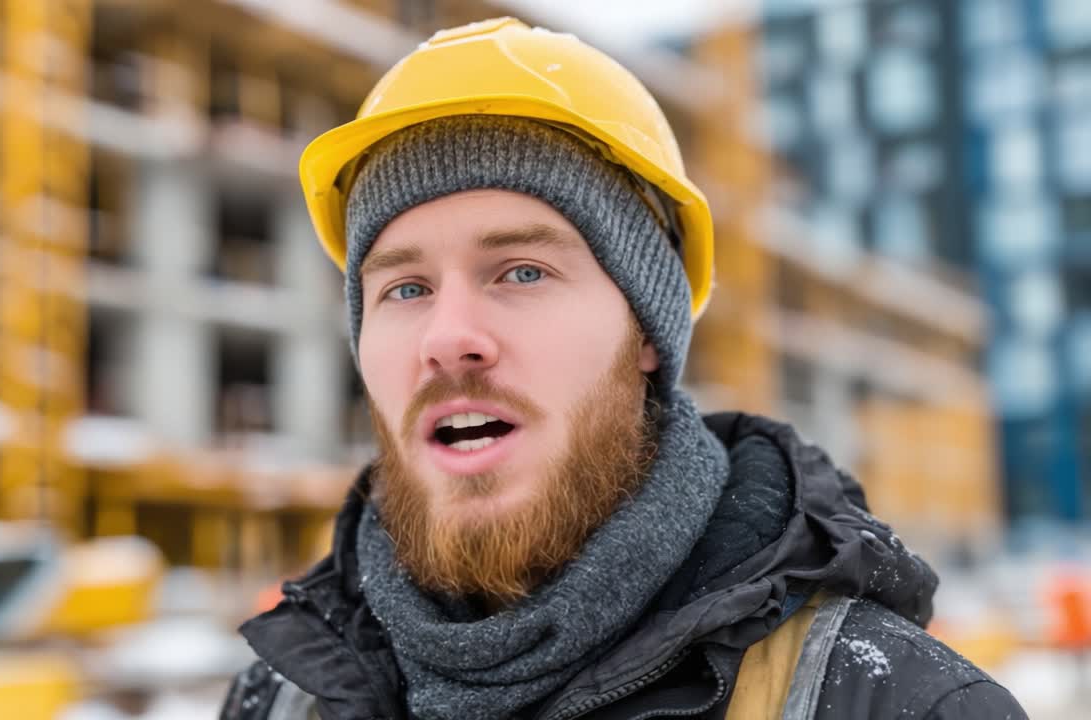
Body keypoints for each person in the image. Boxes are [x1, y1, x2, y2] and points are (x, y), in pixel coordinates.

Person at [220, 17, 1026, 720]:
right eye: (404, 288)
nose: (447, 336)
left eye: (521, 272)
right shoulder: (280, 699)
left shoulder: (892, 704)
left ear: (647, 332)